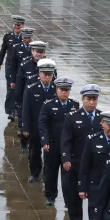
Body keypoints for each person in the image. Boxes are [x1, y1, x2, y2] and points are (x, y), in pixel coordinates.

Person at [60, 84, 102, 220]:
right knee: (74, 195)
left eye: (94, 99)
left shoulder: (102, 118)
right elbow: (66, 140)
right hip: (76, 163)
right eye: (88, 99)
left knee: (96, 196)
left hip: (95, 166)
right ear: (82, 99)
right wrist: (66, 159)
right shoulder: (72, 117)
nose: (91, 103)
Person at [38, 76, 79, 208]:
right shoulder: (48, 105)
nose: (64, 92)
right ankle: (50, 196)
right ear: (56, 90)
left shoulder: (74, 105)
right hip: (52, 145)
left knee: (68, 177)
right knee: (51, 172)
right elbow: (42, 124)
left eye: (67, 90)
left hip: (68, 147)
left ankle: (69, 200)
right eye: (62, 90)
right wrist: (44, 141)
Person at [20, 58, 57, 183]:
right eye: (44, 73)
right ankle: (35, 173)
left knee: (50, 153)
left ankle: (47, 175)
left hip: (51, 128)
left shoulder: (57, 89)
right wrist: (24, 127)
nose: (47, 76)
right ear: (39, 73)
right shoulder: (31, 88)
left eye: (49, 74)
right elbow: (26, 108)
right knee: (34, 152)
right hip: (35, 126)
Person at [0, 14, 25, 120]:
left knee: (20, 89)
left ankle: (19, 109)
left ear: (23, 25)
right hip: (10, 67)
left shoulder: (25, 37)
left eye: (19, 25)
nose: (16, 27)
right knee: (10, 88)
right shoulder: (8, 36)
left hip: (21, 68)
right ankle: (11, 110)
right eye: (15, 25)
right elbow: (3, 50)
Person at [14, 39, 47, 126]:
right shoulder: (25, 65)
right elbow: (19, 89)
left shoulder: (49, 67)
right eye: (37, 51)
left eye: (41, 52)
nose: (39, 54)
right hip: (28, 101)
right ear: (32, 51)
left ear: (44, 53)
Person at [5, 27, 33, 122]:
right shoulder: (16, 48)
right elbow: (13, 65)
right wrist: (12, 80)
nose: (27, 40)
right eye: (25, 37)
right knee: (17, 96)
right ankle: (14, 112)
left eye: (28, 38)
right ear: (22, 36)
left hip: (30, 77)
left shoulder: (35, 49)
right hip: (19, 77)